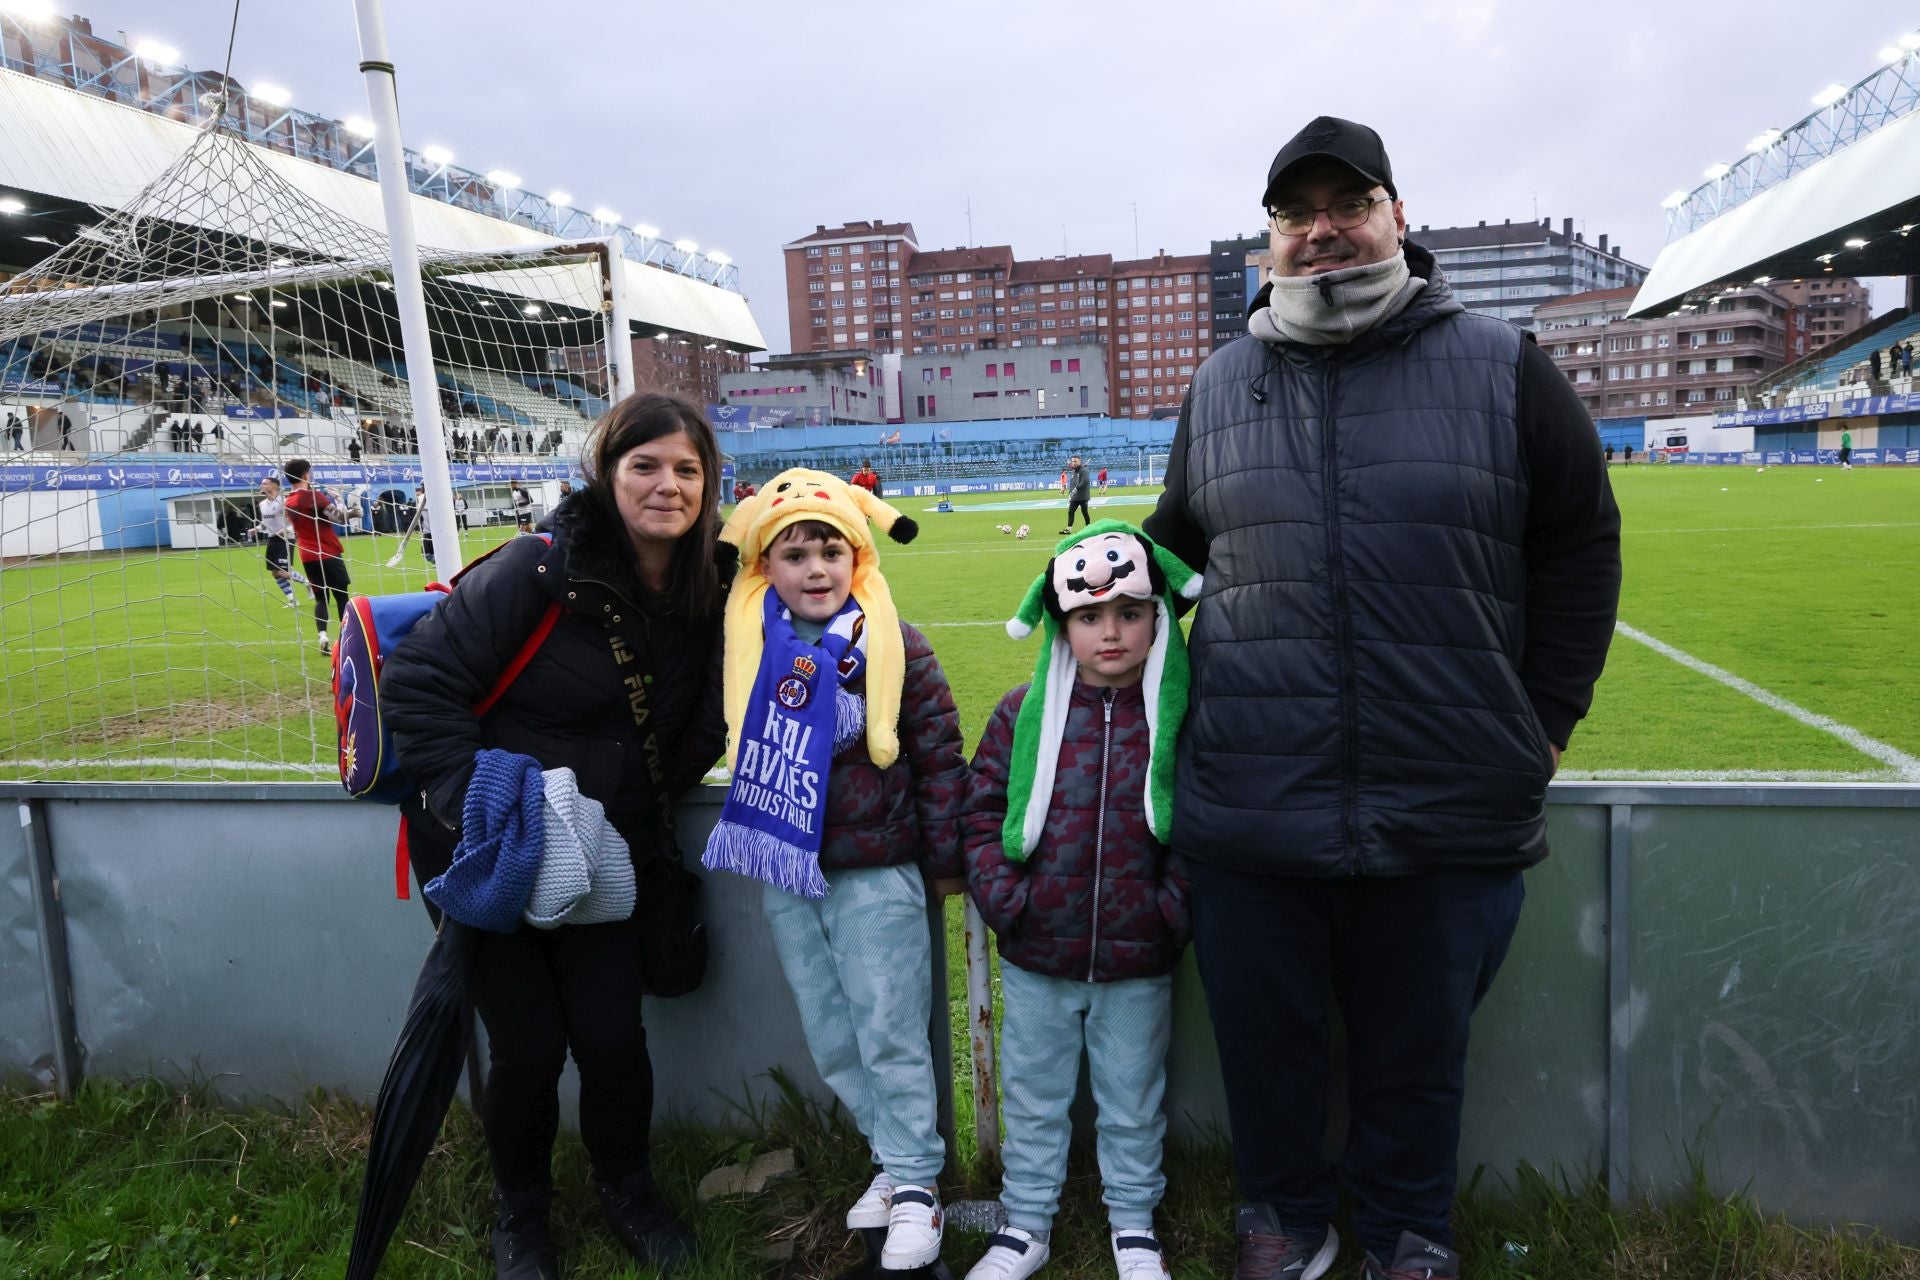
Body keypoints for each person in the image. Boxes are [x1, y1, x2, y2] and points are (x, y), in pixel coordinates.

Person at [1143, 116, 1621, 1280]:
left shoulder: (1504, 363)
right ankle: (1283, 1217)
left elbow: (1581, 540)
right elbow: (1174, 550)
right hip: (1256, 793)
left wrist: (1544, 721)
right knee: (1269, 1041)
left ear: (1398, 215)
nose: (1322, 231)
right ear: (1271, 238)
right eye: (1296, 214)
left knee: (1420, 1045)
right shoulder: (1219, 380)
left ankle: (1409, 1231)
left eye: (1347, 204)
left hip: (1447, 787)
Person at [382, 392, 729, 1279]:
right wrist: (485, 809)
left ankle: (629, 1192)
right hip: (496, 845)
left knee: (614, 1037)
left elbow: (694, 727)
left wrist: (634, 813)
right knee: (528, 1048)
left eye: (686, 469)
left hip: (606, 854)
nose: (667, 485)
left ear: (708, 483)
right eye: (644, 465)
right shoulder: (538, 569)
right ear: (606, 472)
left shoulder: (709, 590)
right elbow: (418, 682)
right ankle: (522, 1219)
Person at [700, 468, 965, 1273]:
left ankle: (921, 1186)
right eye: (794, 552)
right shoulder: (745, 651)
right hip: (786, 867)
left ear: (858, 559)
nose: (815, 568)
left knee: (890, 1032)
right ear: (763, 567)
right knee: (833, 1036)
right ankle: (892, 1157)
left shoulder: (894, 644)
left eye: (830, 550)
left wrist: (949, 863)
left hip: (875, 869)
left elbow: (940, 756)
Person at [963, 522, 1201, 1280]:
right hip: (1039, 952)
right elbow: (979, 810)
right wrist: (1008, 900)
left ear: (1157, 619)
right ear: (1063, 622)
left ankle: (1134, 1224)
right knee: (1034, 1097)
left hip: (1140, 958)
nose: (1111, 632)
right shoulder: (1020, 713)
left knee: (1132, 1099)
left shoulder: (1178, 722)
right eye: (1092, 615)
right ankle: (1026, 1222)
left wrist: (1171, 908)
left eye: (1130, 613)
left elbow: (1202, 827)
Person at [282, 459, 355, 656]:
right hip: (327, 551)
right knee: (341, 597)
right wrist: (342, 502)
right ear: (306, 475)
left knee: (321, 598)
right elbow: (339, 518)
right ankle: (345, 639)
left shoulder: (288, 501)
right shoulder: (313, 497)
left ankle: (322, 636)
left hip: (307, 555)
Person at [254, 476, 299, 607]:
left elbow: (296, 520)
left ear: (275, 486)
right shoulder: (262, 504)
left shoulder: (284, 501)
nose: (262, 485)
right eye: (262, 483)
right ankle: (292, 599)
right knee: (275, 572)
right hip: (272, 538)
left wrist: (288, 530)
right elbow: (266, 523)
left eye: (265, 483)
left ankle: (309, 584)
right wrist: (256, 528)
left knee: (283, 571)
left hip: (286, 539)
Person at [1059, 456, 1091, 533]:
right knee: (1070, 511)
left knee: (1084, 512)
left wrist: (1075, 490)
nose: (1073, 463)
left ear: (1080, 461)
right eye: (1072, 461)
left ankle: (1088, 528)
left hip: (1083, 496)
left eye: (1075, 461)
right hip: (1074, 497)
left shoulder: (1084, 471)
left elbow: (1084, 482)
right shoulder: (1073, 470)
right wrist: (1070, 493)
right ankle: (1068, 529)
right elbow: (1070, 465)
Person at [412, 485, 435, 565]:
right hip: (435, 531)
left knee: (426, 554)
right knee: (429, 553)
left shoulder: (421, 498)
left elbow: (419, 515)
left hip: (428, 531)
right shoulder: (438, 497)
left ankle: (440, 564)